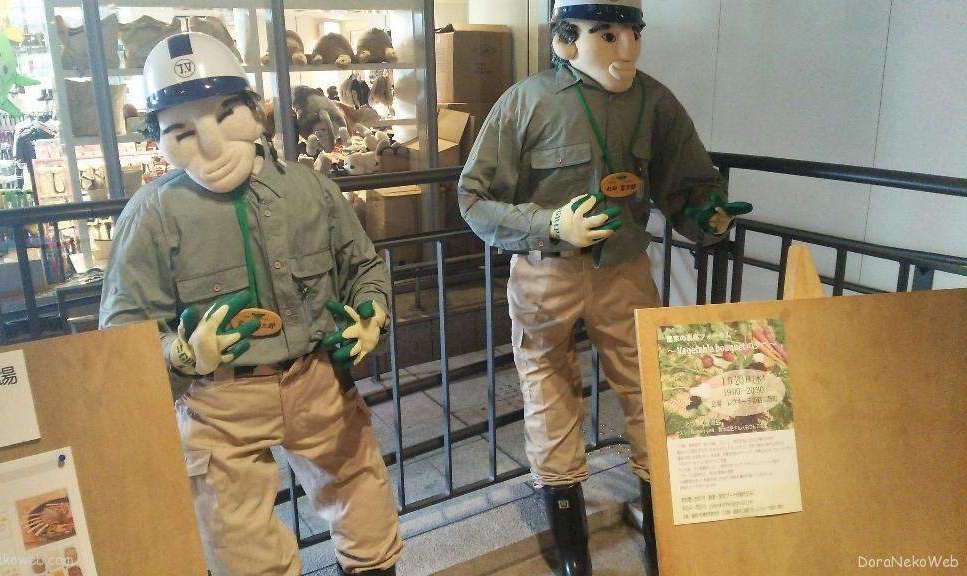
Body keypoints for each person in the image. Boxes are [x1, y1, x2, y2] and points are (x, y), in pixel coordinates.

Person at [457, 1, 752, 574]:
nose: (627, 50)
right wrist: (549, 224)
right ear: (566, 40)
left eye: (633, 34)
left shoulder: (654, 101)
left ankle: (663, 534)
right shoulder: (525, 102)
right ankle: (573, 548)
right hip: (546, 272)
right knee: (548, 390)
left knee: (652, 391)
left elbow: (689, 183)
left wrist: (708, 216)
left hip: (625, 271)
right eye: (608, 35)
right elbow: (474, 198)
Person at [99, 32, 402, 576]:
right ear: (158, 137)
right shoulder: (152, 215)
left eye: (224, 115)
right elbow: (125, 327)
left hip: (317, 381)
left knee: (367, 517)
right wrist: (181, 353)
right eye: (182, 131)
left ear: (255, 110)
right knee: (241, 548)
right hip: (219, 403)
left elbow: (362, 265)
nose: (211, 146)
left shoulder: (311, 190)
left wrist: (371, 313)